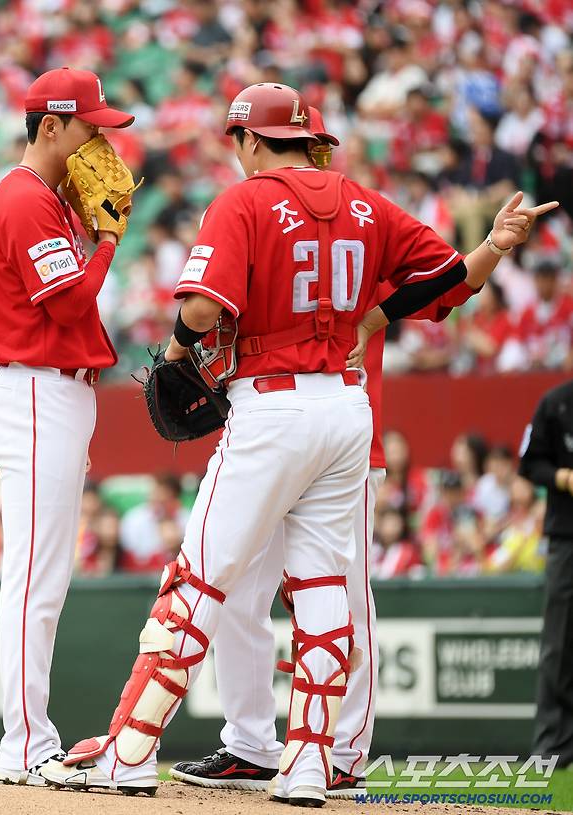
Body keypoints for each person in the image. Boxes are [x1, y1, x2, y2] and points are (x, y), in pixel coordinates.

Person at [44, 83, 555, 805]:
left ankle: (129, 751)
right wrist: (488, 249)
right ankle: (310, 764)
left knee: (197, 578)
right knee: (320, 590)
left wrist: (178, 346)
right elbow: (444, 282)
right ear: (306, 137)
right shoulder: (366, 202)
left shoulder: (244, 200)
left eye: (237, 141)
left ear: (251, 141)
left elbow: (198, 308)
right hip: (348, 410)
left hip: (272, 406)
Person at [0, 67, 134, 786]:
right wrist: (106, 241)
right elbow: (70, 307)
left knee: (44, 579)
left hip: (51, 392)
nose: (100, 141)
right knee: (34, 581)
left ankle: (28, 737)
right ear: (50, 127)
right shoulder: (24, 198)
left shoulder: (42, 197)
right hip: (36, 389)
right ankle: (25, 742)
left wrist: (90, 228)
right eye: (89, 127)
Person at [519, 380, 573, 767]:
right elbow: (529, 462)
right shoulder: (556, 403)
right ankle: (553, 747)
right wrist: (564, 478)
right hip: (566, 537)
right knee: (559, 645)